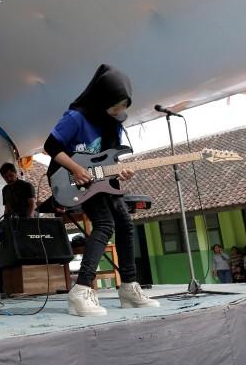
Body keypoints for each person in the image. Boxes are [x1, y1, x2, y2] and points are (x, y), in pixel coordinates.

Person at [43, 64, 159, 316]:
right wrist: (75, 168)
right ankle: (81, 290)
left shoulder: (113, 123)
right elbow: (50, 146)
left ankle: (128, 287)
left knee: (125, 224)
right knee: (105, 225)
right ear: (102, 98)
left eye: (123, 107)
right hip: (75, 177)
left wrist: (122, 170)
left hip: (102, 178)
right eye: (115, 106)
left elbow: (110, 158)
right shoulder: (76, 117)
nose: (119, 112)